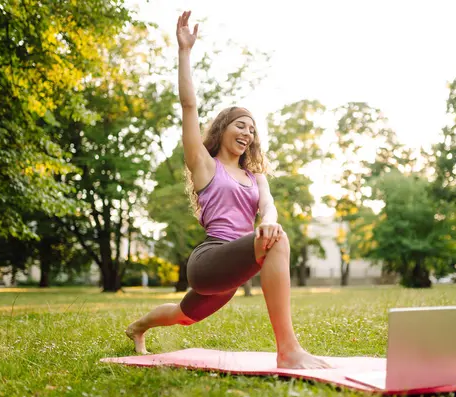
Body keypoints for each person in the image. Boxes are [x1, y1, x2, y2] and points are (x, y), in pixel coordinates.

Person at [125, 11, 330, 370]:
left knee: (184, 315)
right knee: (276, 240)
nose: (247, 133)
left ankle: (138, 327)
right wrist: (185, 52)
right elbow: (189, 106)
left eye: (252, 130)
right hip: (209, 261)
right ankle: (289, 349)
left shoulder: (255, 176)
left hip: (231, 271)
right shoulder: (205, 165)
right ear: (222, 129)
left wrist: (268, 221)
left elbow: (268, 207)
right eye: (240, 125)